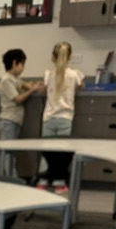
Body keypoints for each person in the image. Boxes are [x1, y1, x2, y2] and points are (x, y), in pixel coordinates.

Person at [36, 41, 85, 193]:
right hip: (65, 118)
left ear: (53, 58)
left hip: (49, 118)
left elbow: (43, 91)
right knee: (61, 153)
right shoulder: (75, 74)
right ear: (69, 57)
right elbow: (81, 86)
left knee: (47, 152)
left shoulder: (48, 74)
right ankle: (59, 183)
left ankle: (43, 181)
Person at [0, 48, 40, 176]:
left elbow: (23, 85)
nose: (23, 68)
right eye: (22, 64)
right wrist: (31, 91)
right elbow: (17, 99)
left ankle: (4, 178)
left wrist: (33, 86)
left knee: (9, 152)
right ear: (15, 63)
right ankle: (11, 179)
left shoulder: (14, 79)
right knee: (7, 153)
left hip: (14, 121)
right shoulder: (7, 80)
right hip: (8, 120)